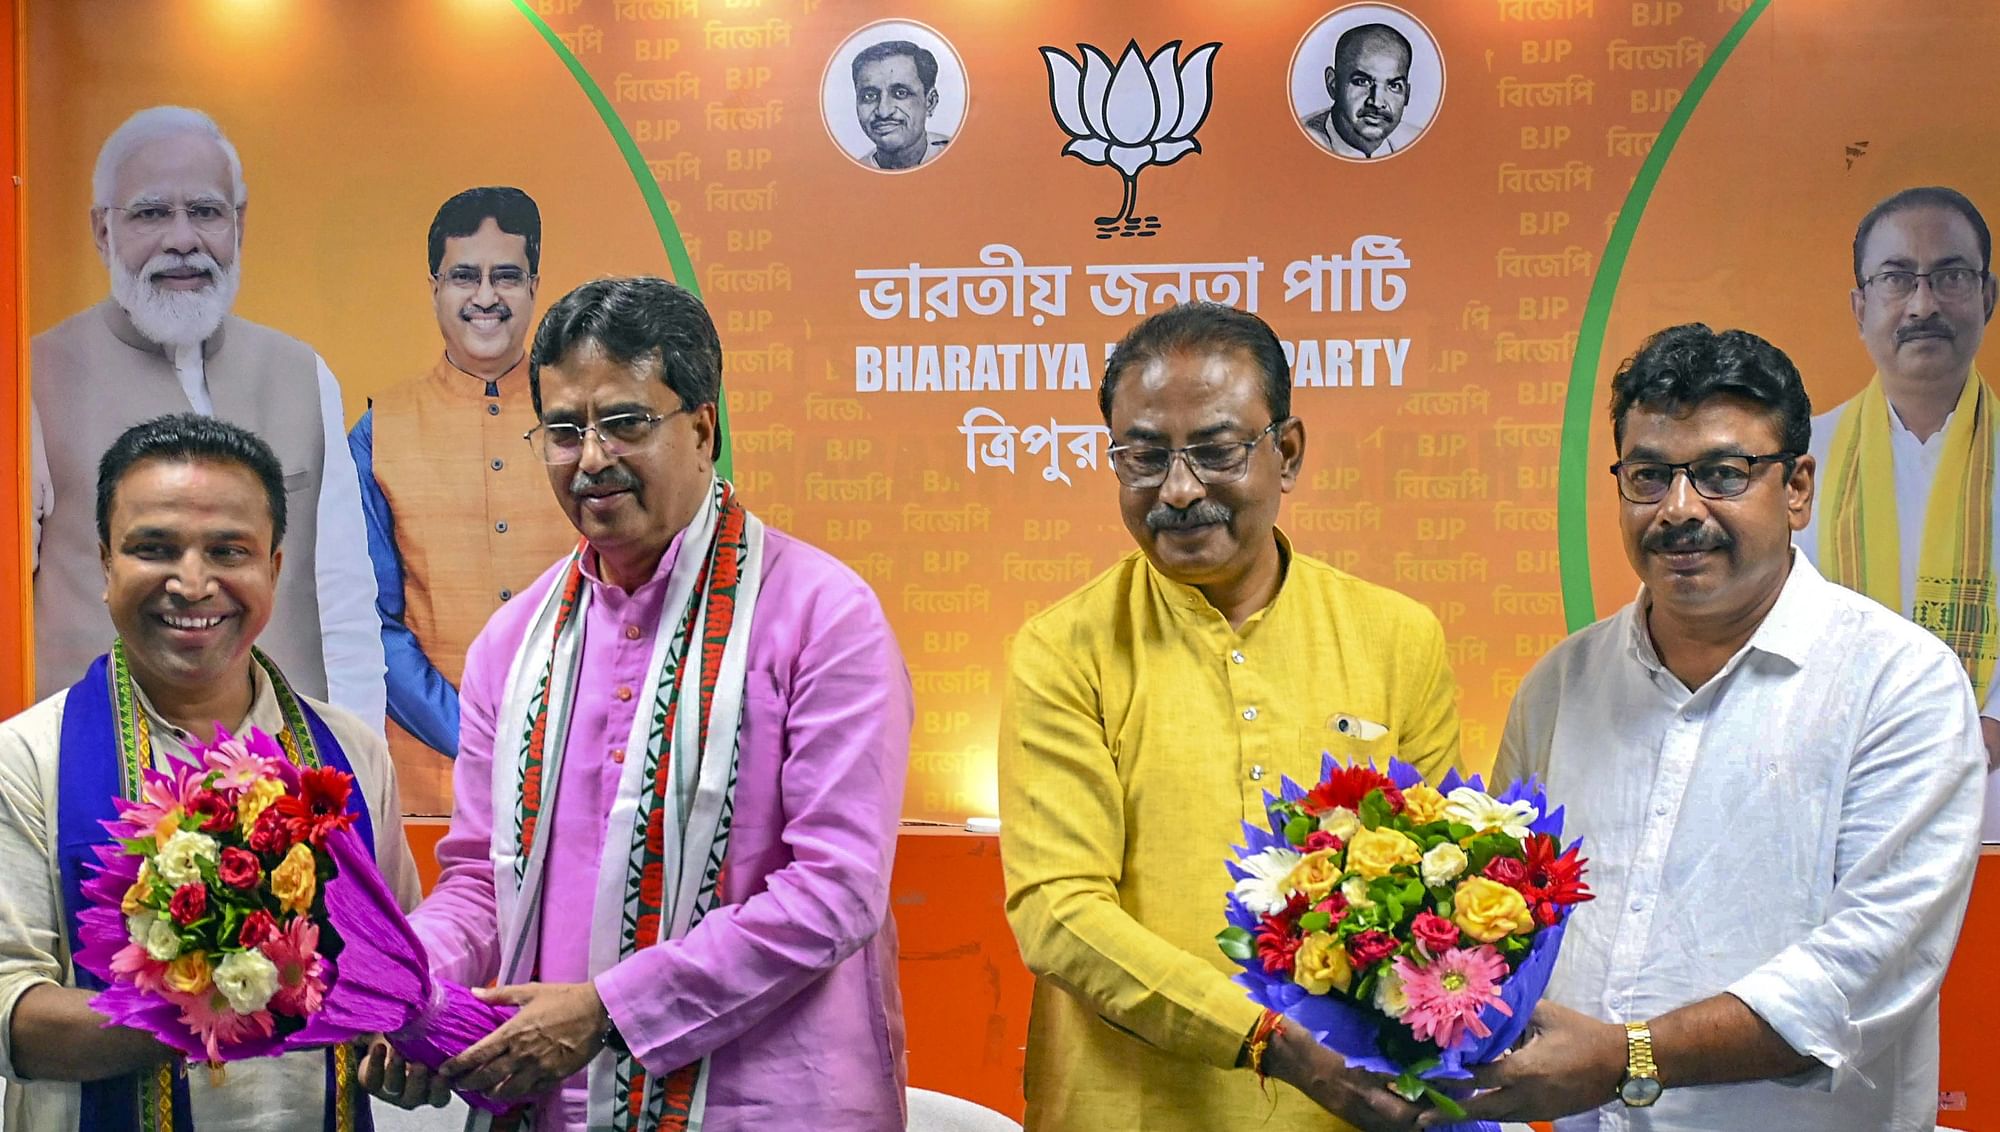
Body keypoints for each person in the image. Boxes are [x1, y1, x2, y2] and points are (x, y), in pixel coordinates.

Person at [360, 277, 914, 1130]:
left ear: (702, 427)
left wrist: (608, 1010)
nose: (590, 459)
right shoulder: (512, 645)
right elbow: (477, 880)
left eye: (624, 422)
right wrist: (410, 990)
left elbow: (833, 891)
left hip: (764, 1104)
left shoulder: (822, 615)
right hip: (549, 1107)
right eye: (563, 429)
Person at [1457, 324, 1983, 1130]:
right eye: (1649, 475)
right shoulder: (1560, 688)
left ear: (1798, 488)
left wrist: (1625, 1057)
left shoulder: (1898, 685)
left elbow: (1863, 974)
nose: (1678, 509)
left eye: (1722, 474)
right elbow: (1502, 922)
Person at [999, 302, 1462, 1131]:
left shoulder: (1399, 638)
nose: (1178, 491)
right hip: (1126, 1109)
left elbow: (1442, 897)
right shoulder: (1064, 650)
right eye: (1142, 457)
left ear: (1285, 453)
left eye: (1215, 452)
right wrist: (1272, 1044)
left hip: (1350, 1115)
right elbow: (1059, 912)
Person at [0, 414, 421, 1132]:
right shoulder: (28, 757)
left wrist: (408, 1046)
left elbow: (399, 970)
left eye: (229, 550)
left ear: (274, 569)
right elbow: (13, 1016)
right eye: (153, 548)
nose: (192, 584)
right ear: (105, 564)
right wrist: (230, 997)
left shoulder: (349, 752)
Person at [31, 105, 383, 728]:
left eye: (205, 211)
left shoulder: (301, 373)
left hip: (284, 782)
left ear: (238, 225)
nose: (183, 240)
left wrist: (354, 764)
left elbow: (345, 603)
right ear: (102, 230)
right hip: (100, 772)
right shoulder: (31, 379)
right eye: (150, 213)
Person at [350, 186, 576, 815]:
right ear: (434, 288)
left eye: (506, 275)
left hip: (582, 772)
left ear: (534, 284)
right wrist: (483, 740)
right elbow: (374, 623)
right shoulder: (379, 429)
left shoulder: (583, 420)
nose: (485, 297)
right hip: (430, 783)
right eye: (463, 276)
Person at [1798, 186, 2000, 776]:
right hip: (1835, 771)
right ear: (1860, 307)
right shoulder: (1793, 460)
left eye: (1951, 276)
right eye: (1896, 278)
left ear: (1988, 296)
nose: (1922, 305)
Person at [1300, 23, 1422, 159]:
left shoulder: (1420, 143)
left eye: (1394, 86)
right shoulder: (1299, 142)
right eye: (1362, 82)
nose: (1376, 102)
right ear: (1333, 84)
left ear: (1406, 95)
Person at [852, 39, 952, 170]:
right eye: (869, 96)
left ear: (930, 102)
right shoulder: (851, 174)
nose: (884, 112)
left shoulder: (961, 158)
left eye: (901, 93)